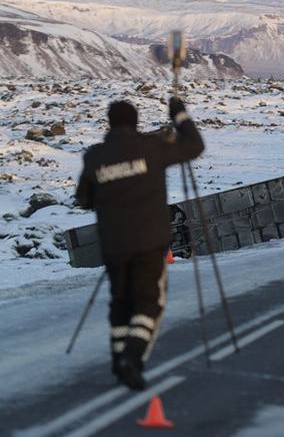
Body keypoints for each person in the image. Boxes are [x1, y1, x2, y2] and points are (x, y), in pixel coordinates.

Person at [75, 97, 204, 390]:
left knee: (121, 302)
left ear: (110, 122)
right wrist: (180, 116)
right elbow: (194, 147)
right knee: (148, 303)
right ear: (135, 122)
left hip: (114, 244)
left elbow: (83, 199)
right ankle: (131, 358)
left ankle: (119, 360)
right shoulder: (151, 148)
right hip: (149, 243)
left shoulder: (95, 156)